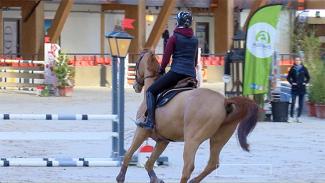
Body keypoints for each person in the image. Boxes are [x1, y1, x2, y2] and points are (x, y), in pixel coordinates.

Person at [136, 11, 199, 129]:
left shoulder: (173, 38)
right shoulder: (195, 40)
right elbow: (195, 62)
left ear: (178, 22)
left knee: (151, 91)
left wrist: (162, 70)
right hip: (191, 75)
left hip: (176, 73)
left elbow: (165, 59)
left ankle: (150, 121)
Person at [287, 56, 310, 123]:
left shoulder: (304, 68)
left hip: (302, 88)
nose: (297, 61)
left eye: (298, 60)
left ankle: (298, 117)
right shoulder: (292, 68)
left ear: (300, 61)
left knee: (301, 103)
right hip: (294, 88)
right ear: (295, 61)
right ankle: (291, 117)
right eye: (296, 60)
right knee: (293, 102)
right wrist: (292, 83)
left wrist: (305, 83)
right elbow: (288, 77)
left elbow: (308, 77)